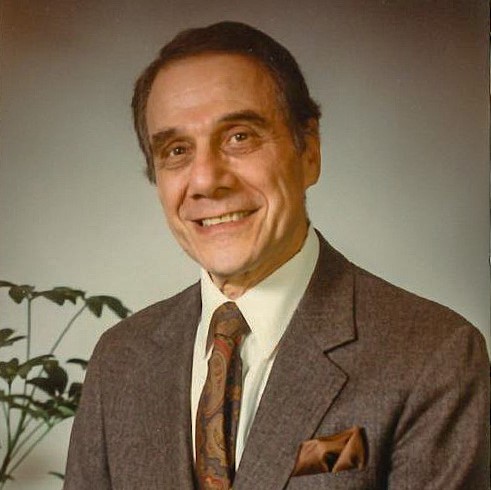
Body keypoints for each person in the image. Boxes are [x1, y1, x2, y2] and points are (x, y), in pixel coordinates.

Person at [64, 21, 489, 489]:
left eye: (239, 137)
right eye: (177, 149)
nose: (206, 180)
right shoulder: (120, 360)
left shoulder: (433, 356)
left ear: (309, 152)